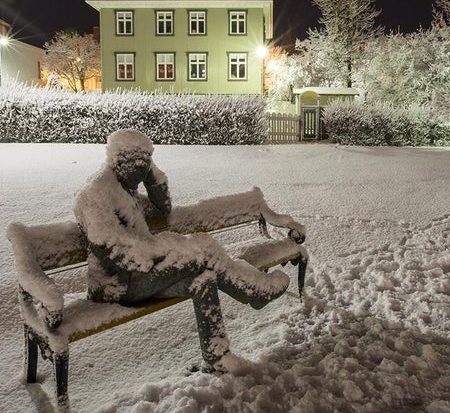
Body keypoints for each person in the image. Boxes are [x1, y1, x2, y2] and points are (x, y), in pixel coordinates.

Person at [73, 129, 291, 372]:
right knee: (202, 251)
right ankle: (254, 290)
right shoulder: (95, 195)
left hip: (142, 274)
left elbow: (163, 207)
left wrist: (152, 176)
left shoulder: (125, 188)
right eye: (139, 167)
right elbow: (116, 253)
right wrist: (165, 253)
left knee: (203, 279)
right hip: (118, 286)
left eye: (146, 166)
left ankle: (217, 357)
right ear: (120, 162)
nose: (142, 173)